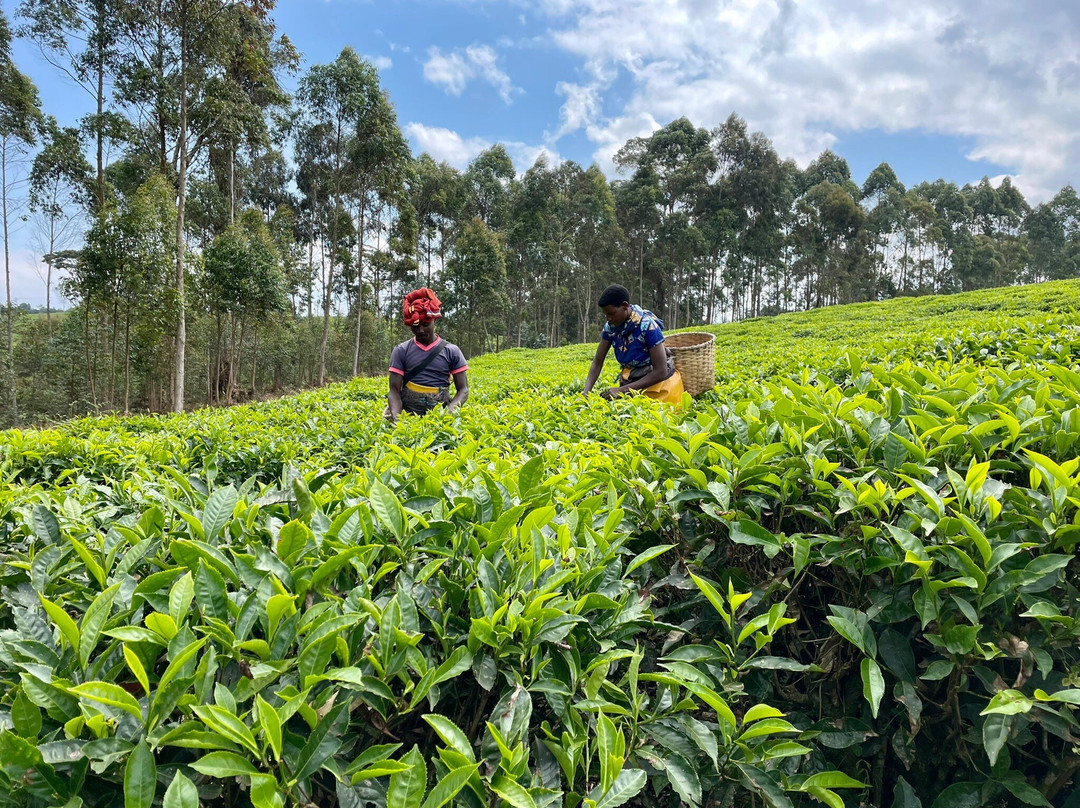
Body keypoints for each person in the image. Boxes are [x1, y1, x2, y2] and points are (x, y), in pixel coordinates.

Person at [582, 284, 684, 406]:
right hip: (632, 382)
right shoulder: (610, 328)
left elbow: (661, 371)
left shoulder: (648, 326)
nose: (608, 318)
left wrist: (621, 390)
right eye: (605, 315)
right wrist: (585, 394)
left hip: (660, 388)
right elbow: (598, 362)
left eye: (611, 313)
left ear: (625, 306)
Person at [386, 288, 469, 422]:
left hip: (440, 411)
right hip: (409, 412)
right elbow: (394, 390)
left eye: (425, 325)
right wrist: (397, 418)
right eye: (415, 326)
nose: (420, 330)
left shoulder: (452, 351)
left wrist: (449, 412)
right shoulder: (401, 350)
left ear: (433, 321)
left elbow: (463, 389)